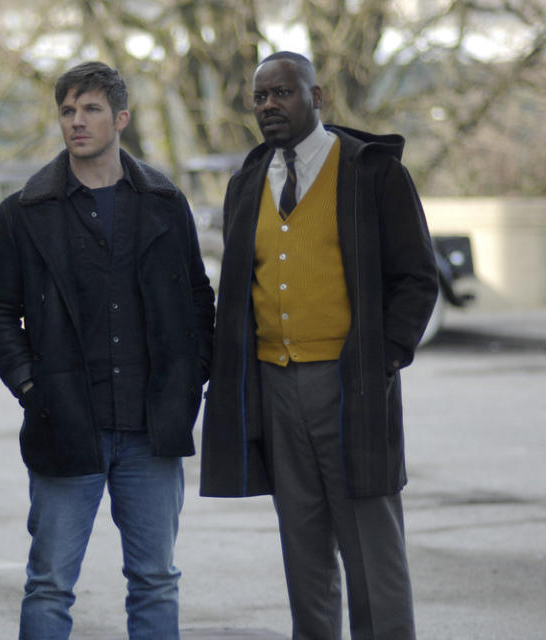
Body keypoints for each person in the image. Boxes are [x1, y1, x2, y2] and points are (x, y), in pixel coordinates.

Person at [200, 51, 438, 639]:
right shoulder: (247, 181)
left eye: (282, 93)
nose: (269, 106)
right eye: (260, 97)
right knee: (301, 545)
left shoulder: (372, 171)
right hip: (274, 384)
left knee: (371, 547)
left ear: (318, 95)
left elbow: (417, 278)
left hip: (350, 383)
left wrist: (382, 358)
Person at [0, 61, 215, 639]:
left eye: (91, 109)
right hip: (66, 422)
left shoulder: (163, 201)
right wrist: (32, 386)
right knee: (50, 584)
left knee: (155, 579)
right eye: (67, 111)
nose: (76, 122)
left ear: (121, 118)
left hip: (151, 428)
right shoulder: (24, 212)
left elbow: (198, 298)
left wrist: (191, 379)